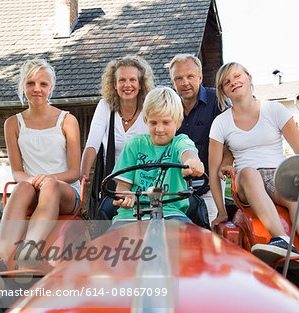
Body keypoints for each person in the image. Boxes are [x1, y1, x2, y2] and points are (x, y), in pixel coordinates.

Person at [0, 58, 81, 288]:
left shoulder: (67, 121)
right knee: (22, 186)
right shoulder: (13, 124)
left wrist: (49, 179)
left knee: (49, 185)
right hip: (30, 189)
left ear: (51, 88)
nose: (37, 89)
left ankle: (28, 253)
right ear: (23, 87)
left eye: (43, 84)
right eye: (31, 83)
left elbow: (74, 171)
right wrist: (31, 180)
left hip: (64, 191)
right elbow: (17, 171)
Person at [209, 61, 299, 263]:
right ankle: (283, 240)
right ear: (223, 91)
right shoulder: (221, 122)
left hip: (278, 175)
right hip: (246, 181)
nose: (233, 82)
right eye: (226, 82)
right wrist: (222, 211)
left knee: (295, 196)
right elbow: (214, 171)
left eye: (237, 76)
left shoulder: (274, 109)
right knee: (249, 172)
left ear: (249, 79)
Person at [110, 86, 204, 226]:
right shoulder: (134, 145)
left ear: (178, 122)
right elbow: (123, 186)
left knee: (190, 240)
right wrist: (125, 196)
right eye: (153, 122)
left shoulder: (179, 142)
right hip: (132, 214)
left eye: (166, 122)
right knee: (111, 243)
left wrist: (192, 162)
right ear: (146, 120)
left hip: (171, 213)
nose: (159, 129)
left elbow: (187, 152)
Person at [80, 55, 154, 223]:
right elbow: (92, 143)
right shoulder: (105, 106)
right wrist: (84, 172)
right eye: (122, 80)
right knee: (105, 213)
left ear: (140, 84)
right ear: (114, 84)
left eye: (132, 80)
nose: (127, 85)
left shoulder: (148, 108)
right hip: (113, 183)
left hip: (143, 182)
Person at [169, 53, 227, 224]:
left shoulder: (217, 101)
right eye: (178, 78)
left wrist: (227, 162)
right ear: (173, 82)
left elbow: (231, 140)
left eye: (190, 76)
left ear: (200, 77)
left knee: (207, 237)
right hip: (175, 190)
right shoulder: (168, 104)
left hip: (210, 186)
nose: (185, 82)